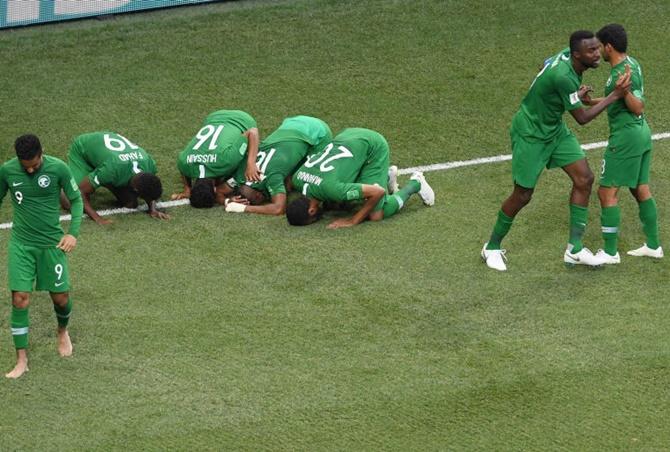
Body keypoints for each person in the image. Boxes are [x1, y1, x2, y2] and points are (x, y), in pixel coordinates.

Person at [481, 30, 632, 271]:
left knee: (584, 178)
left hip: (554, 129)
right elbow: (582, 117)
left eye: (597, 48)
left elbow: (544, 65)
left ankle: (574, 249)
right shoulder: (565, 77)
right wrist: (615, 95)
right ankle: (492, 247)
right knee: (522, 195)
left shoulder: (565, 58)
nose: (597, 53)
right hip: (531, 133)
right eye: (591, 51)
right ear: (576, 54)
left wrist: (571, 95)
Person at [0, 134, 83, 379]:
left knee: (61, 298)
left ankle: (62, 331)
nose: (31, 169)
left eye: (35, 165)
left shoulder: (58, 168)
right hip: (22, 246)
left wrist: (73, 234)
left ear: (41, 153)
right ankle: (22, 360)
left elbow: (77, 200)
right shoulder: (7, 171)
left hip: (51, 246)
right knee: (20, 299)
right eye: (26, 166)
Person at [586, 24, 662, 263]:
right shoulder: (631, 63)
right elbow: (617, 97)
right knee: (640, 189)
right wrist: (592, 102)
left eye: (600, 47)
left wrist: (625, 92)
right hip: (640, 134)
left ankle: (610, 253)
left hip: (626, 138)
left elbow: (637, 106)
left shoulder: (623, 72)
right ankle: (653, 246)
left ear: (609, 47)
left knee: (606, 192)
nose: (598, 52)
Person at [286, 127, 434, 229]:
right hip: (347, 136)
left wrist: (353, 220)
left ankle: (416, 183)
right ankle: (386, 175)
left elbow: (378, 192)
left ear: (311, 211)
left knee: (376, 214)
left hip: (372, 146)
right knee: (337, 202)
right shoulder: (297, 179)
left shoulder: (333, 190)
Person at [222, 115, 332, 215]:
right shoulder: (241, 173)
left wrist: (243, 208)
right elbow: (218, 191)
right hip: (292, 123)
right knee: (289, 180)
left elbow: (278, 209)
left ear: (258, 196)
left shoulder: (272, 178)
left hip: (318, 132)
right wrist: (228, 200)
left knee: (309, 179)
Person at [66, 131, 168, 225]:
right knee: (74, 201)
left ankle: (101, 177)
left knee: (130, 203)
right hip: (83, 149)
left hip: (110, 160)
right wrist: (98, 218)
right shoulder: (113, 170)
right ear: (136, 189)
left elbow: (149, 189)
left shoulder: (149, 164)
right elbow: (80, 191)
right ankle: (62, 186)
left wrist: (153, 210)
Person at [171, 109, 260, 208]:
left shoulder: (226, 160)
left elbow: (252, 132)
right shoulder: (185, 164)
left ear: (214, 189)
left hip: (242, 119)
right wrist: (187, 189)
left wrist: (251, 163)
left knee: (246, 153)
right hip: (213, 117)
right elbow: (182, 164)